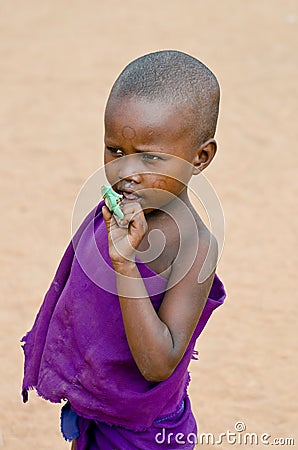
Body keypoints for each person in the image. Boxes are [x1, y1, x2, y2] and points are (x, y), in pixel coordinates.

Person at [21, 50, 226, 449]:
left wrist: (125, 264)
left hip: (144, 433)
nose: (126, 173)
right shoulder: (118, 213)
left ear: (200, 158)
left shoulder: (194, 247)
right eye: (115, 150)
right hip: (98, 411)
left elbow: (158, 364)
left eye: (151, 156)